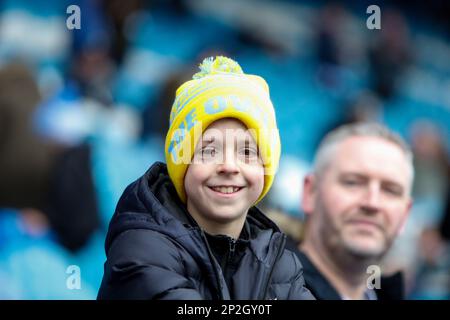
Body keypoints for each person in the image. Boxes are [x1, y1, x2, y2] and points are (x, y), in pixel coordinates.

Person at [97, 56, 314, 300]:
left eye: (247, 152)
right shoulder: (142, 248)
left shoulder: (280, 263)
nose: (229, 166)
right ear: (182, 163)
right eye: (209, 151)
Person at [286, 122, 414, 300]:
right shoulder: (257, 289)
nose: (372, 203)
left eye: (390, 190)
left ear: (405, 214)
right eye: (353, 182)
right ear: (310, 193)